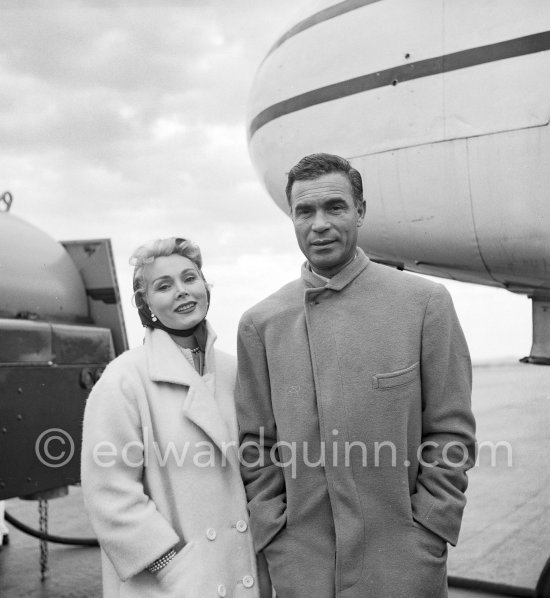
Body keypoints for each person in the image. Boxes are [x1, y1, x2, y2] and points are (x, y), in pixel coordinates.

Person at [235, 154, 476, 598]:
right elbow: (256, 445)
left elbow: (451, 433)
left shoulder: (424, 303)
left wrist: (429, 530)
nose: (319, 224)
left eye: (335, 207)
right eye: (304, 211)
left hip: (402, 563)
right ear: (291, 218)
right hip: (303, 568)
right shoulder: (260, 323)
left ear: (361, 211)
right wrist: (274, 534)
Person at [81, 237, 270, 598]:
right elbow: (109, 494)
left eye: (190, 278)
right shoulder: (123, 379)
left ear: (205, 286)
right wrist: (170, 564)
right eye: (164, 286)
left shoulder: (235, 371)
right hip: (171, 583)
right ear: (146, 303)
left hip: (241, 571)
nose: (182, 292)